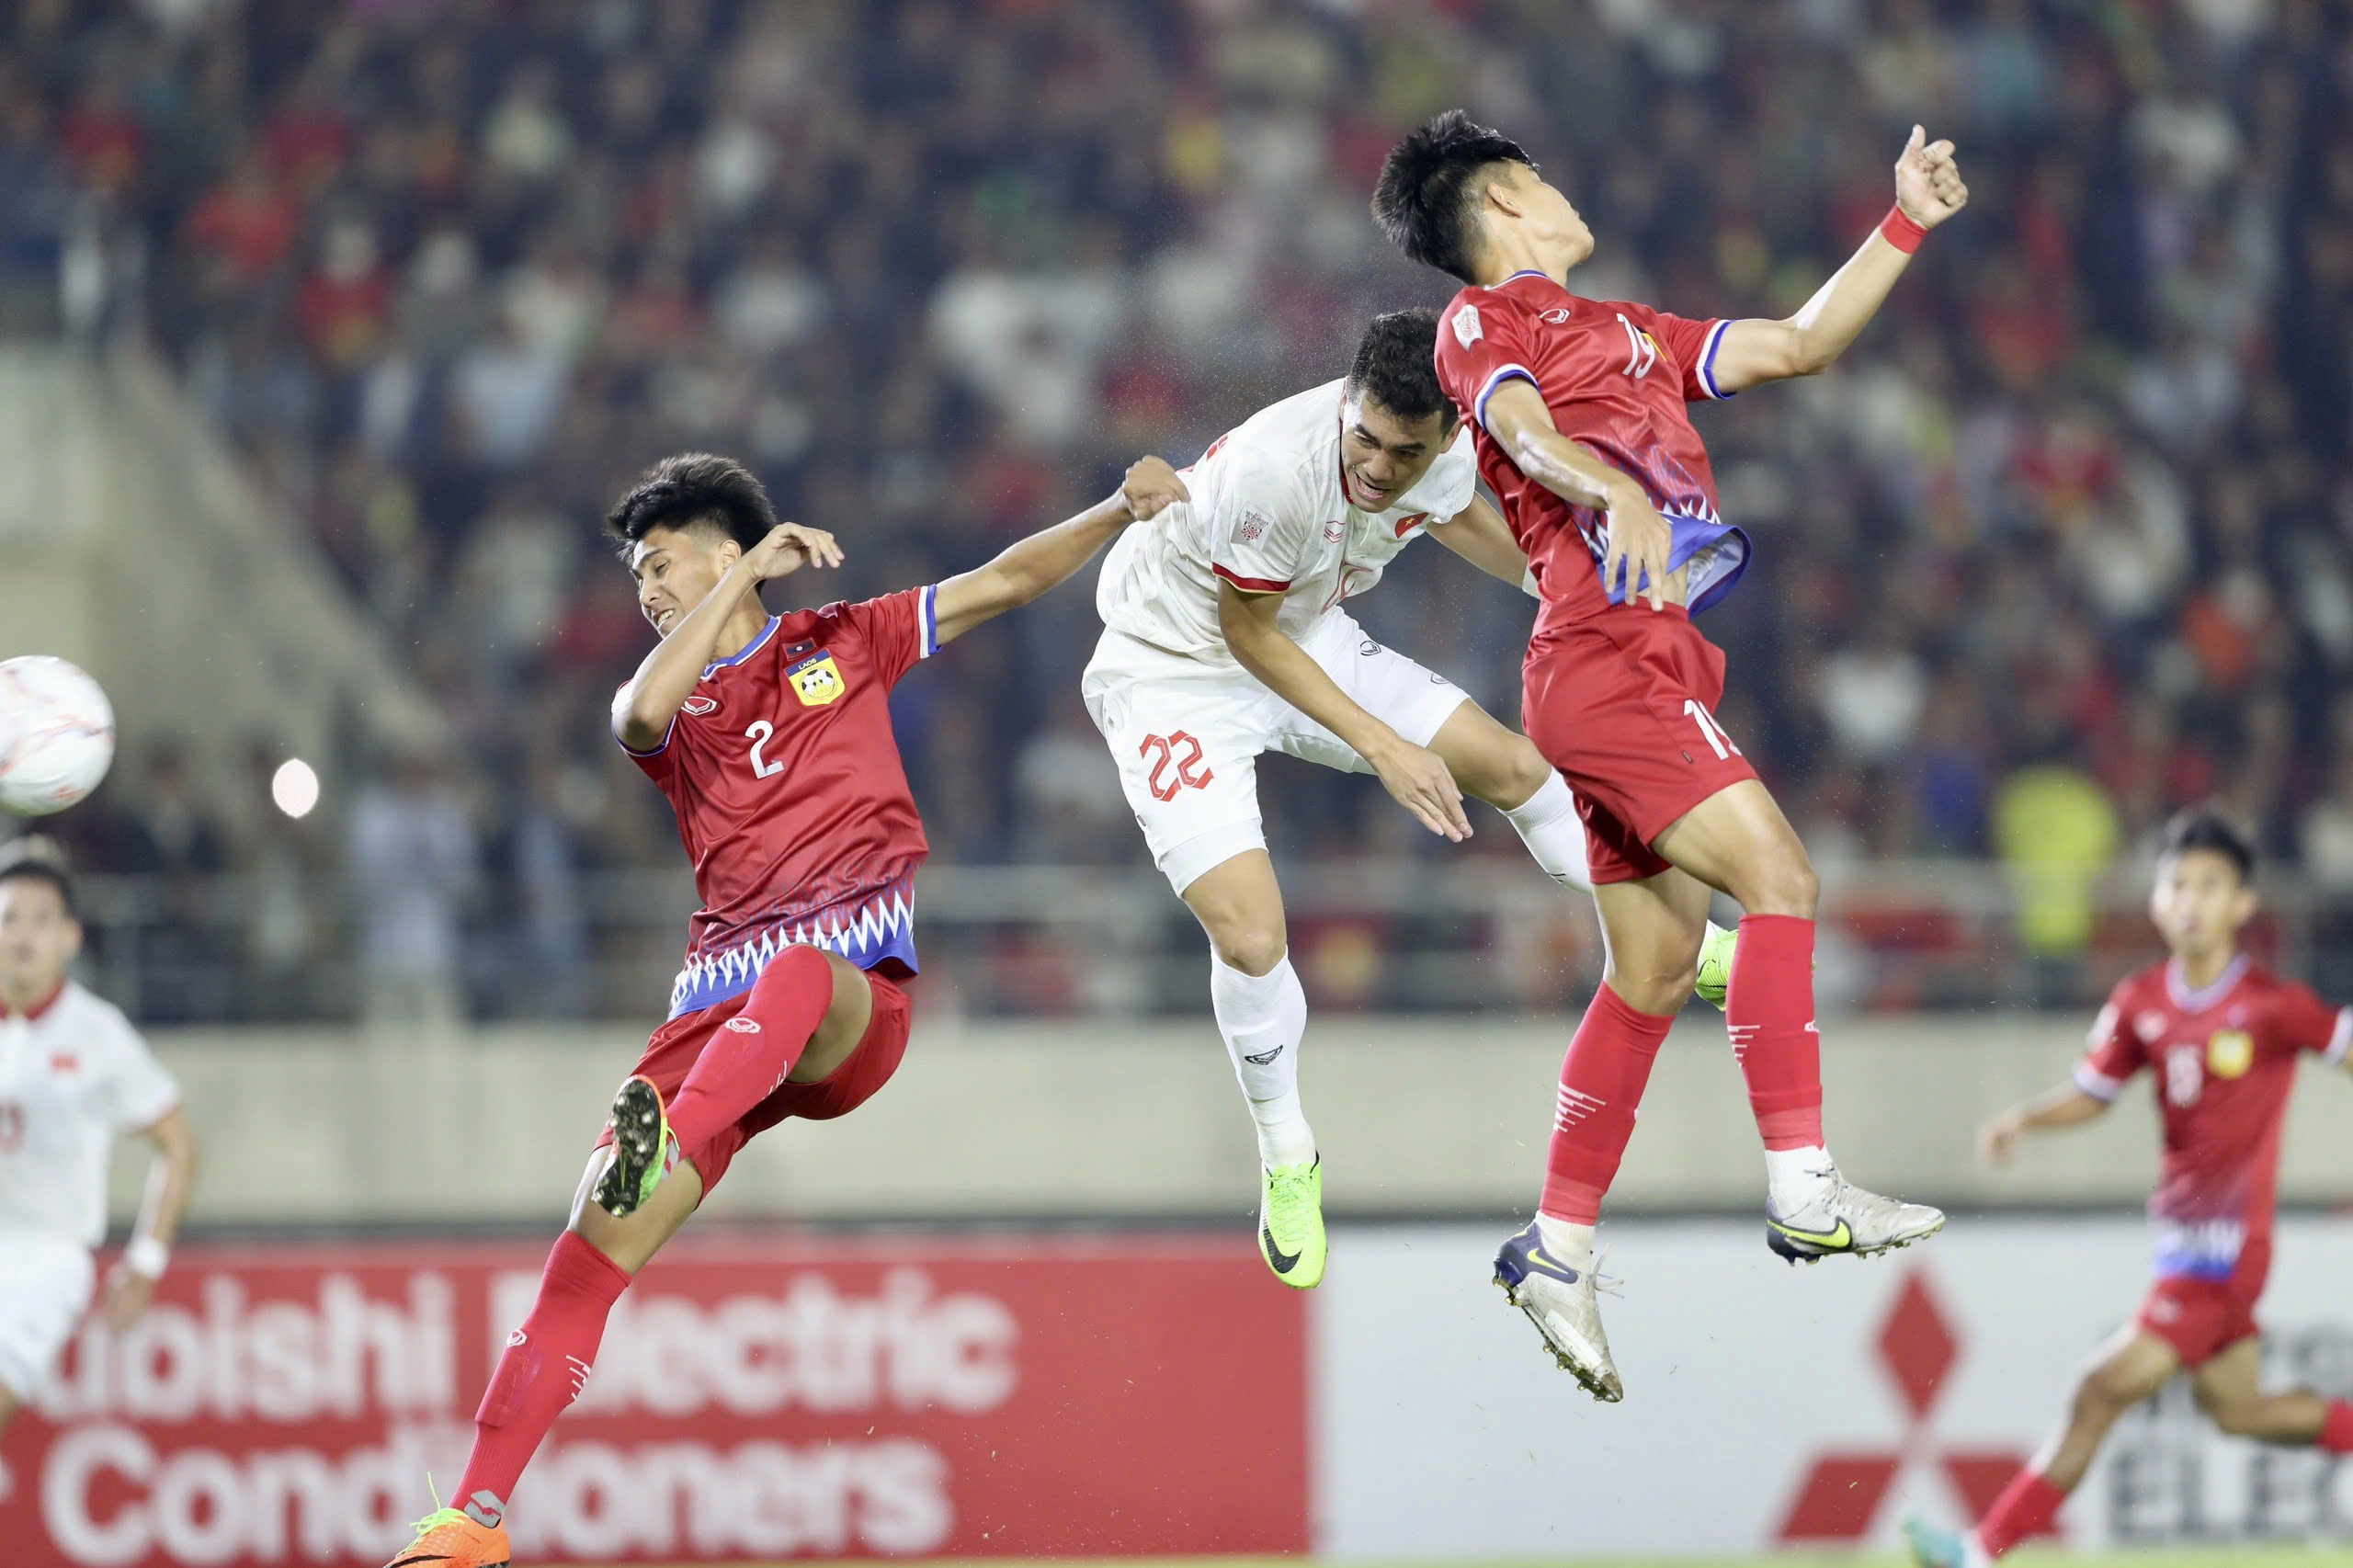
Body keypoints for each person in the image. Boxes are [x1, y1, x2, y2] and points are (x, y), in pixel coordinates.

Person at [383, 449, 1182, 1568]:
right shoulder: (665, 698)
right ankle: (471, 1517)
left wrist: (1113, 506)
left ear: (723, 549)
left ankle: (669, 1138)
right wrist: (733, 582)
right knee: (583, 1256)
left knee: (798, 972)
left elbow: (998, 583)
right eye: (637, 575)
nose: (645, 588)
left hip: (847, 1000)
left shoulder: (844, 639)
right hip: (716, 1009)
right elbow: (637, 711)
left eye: (661, 563)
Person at [1372, 111, 1969, 1399]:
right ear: (1506, 208)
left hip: (1645, 656)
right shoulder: (1484, 321)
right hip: (1601, 656)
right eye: (1540, 177)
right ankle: (1806, 1185)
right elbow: (1524, 437)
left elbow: (1801, 344)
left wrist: (1907, 219)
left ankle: (1559, 1246)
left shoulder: (1634, 328)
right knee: (1785, 879)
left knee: (1649, 968)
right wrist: (1613, 488)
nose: (1563, 186)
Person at [1087, 307, 1738, 1290]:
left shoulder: (1440, 449)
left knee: (1515, 769)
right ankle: (1286, 1152)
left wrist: (1552, 584)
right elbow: (1247, 635)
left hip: (1299, 625)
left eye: (1405, 448)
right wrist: (1382, 745)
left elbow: (1448, 509)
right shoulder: (1276, 471)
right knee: (1252, 935)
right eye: (1366, 441)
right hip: (1174, 666)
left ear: (1444, 434)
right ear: (1344, 405)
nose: (1380, 467)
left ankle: (1682, 949)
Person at [1904, 808, 2353, 1567]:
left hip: (2226, 1255)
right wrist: (2025, 1120)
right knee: (2237, 1413)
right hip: (2177, 1247)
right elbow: (2094, 1091)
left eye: (2211, 885)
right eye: (2177, 883)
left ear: (2244, 905)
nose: (2191, 899)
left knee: (2099, 1388)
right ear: (2154, 899)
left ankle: (1981, 1551)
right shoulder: (2140, 1001)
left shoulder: (2276, 1006)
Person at [0, 839, 198, 1442]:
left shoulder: (97, 1033)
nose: (23, 933)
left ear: (70, 938)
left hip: (46, 1254)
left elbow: (179, 1146)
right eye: (9, 917)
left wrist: (146, 1260)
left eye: (42, 919)